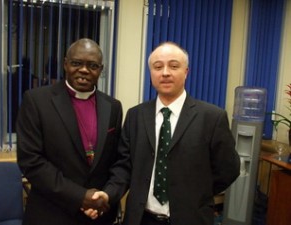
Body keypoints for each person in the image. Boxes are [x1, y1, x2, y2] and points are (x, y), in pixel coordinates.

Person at [87, 41, 240, 225]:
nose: (165, 72)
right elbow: (124, 166)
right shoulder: (136, 115)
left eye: (174, 66)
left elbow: (228, 169)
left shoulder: (212, 117)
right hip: (141, 218)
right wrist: (108, 193)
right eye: (158, 67)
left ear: (186, 72)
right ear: (151, 73)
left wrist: (197, 193)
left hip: (190, 218)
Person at [16, 38, 123, 225]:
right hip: (52, 214)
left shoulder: (113, 107)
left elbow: (117, 160)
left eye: (92, 65)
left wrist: (105, 196)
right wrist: (80, 196)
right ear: (65, 64)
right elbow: (31, 161)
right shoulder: (37, 101)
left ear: (101, 69)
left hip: (98, 215)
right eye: (76, 63)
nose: (83, 70)